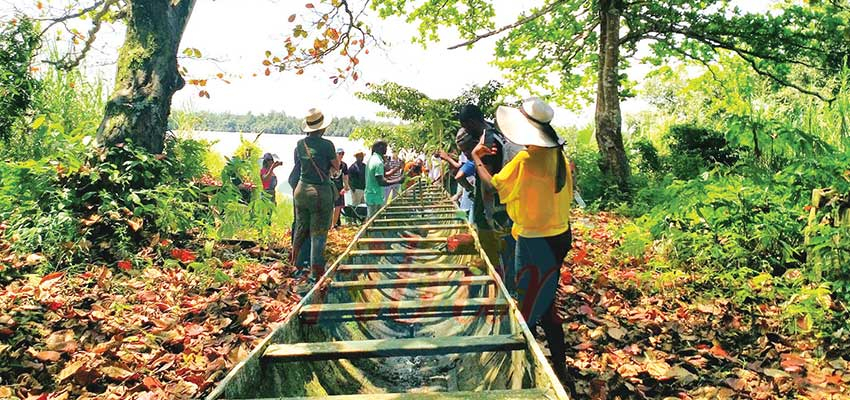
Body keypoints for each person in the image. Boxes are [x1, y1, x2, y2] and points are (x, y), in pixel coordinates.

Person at [470, 97, 573, 390]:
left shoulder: (526, 160)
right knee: (546, 299)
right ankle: (560, 368)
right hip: (559, 236)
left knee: (532, 306)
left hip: (533, 239)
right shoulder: (560, 158)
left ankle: (523, 367)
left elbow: (493, 186)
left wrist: (476, 158)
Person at [292, 107, 340, 282]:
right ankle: (315, 274)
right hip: (319, 193)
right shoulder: (327, 145)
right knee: (318, 234)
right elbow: (336, 166)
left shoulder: (299, 144)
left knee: (301, 229)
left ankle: (297, 267)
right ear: (322, 128)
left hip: (301, 190)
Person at [365, 140, 403, 218]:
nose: (386, 149)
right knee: (374, 221)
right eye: (385, 147)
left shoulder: (372, 159)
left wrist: (397, 170)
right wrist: (398, 181)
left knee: (372, 220)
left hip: (372, 195)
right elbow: (381, 182)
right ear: (380, 147)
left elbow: (384, 175)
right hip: (375, 197)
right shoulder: (378, 162)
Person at [330, 148, 351, 228]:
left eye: (342, 154)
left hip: (339, 188)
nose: (341, 155)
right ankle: (329, 224)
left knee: (338, 206)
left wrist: (346, 186)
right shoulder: (330, 164)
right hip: (331, 187)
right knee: (330, 206)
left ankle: (333, 224)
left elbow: (345, 177)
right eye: (339, 153)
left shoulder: (344, 165)